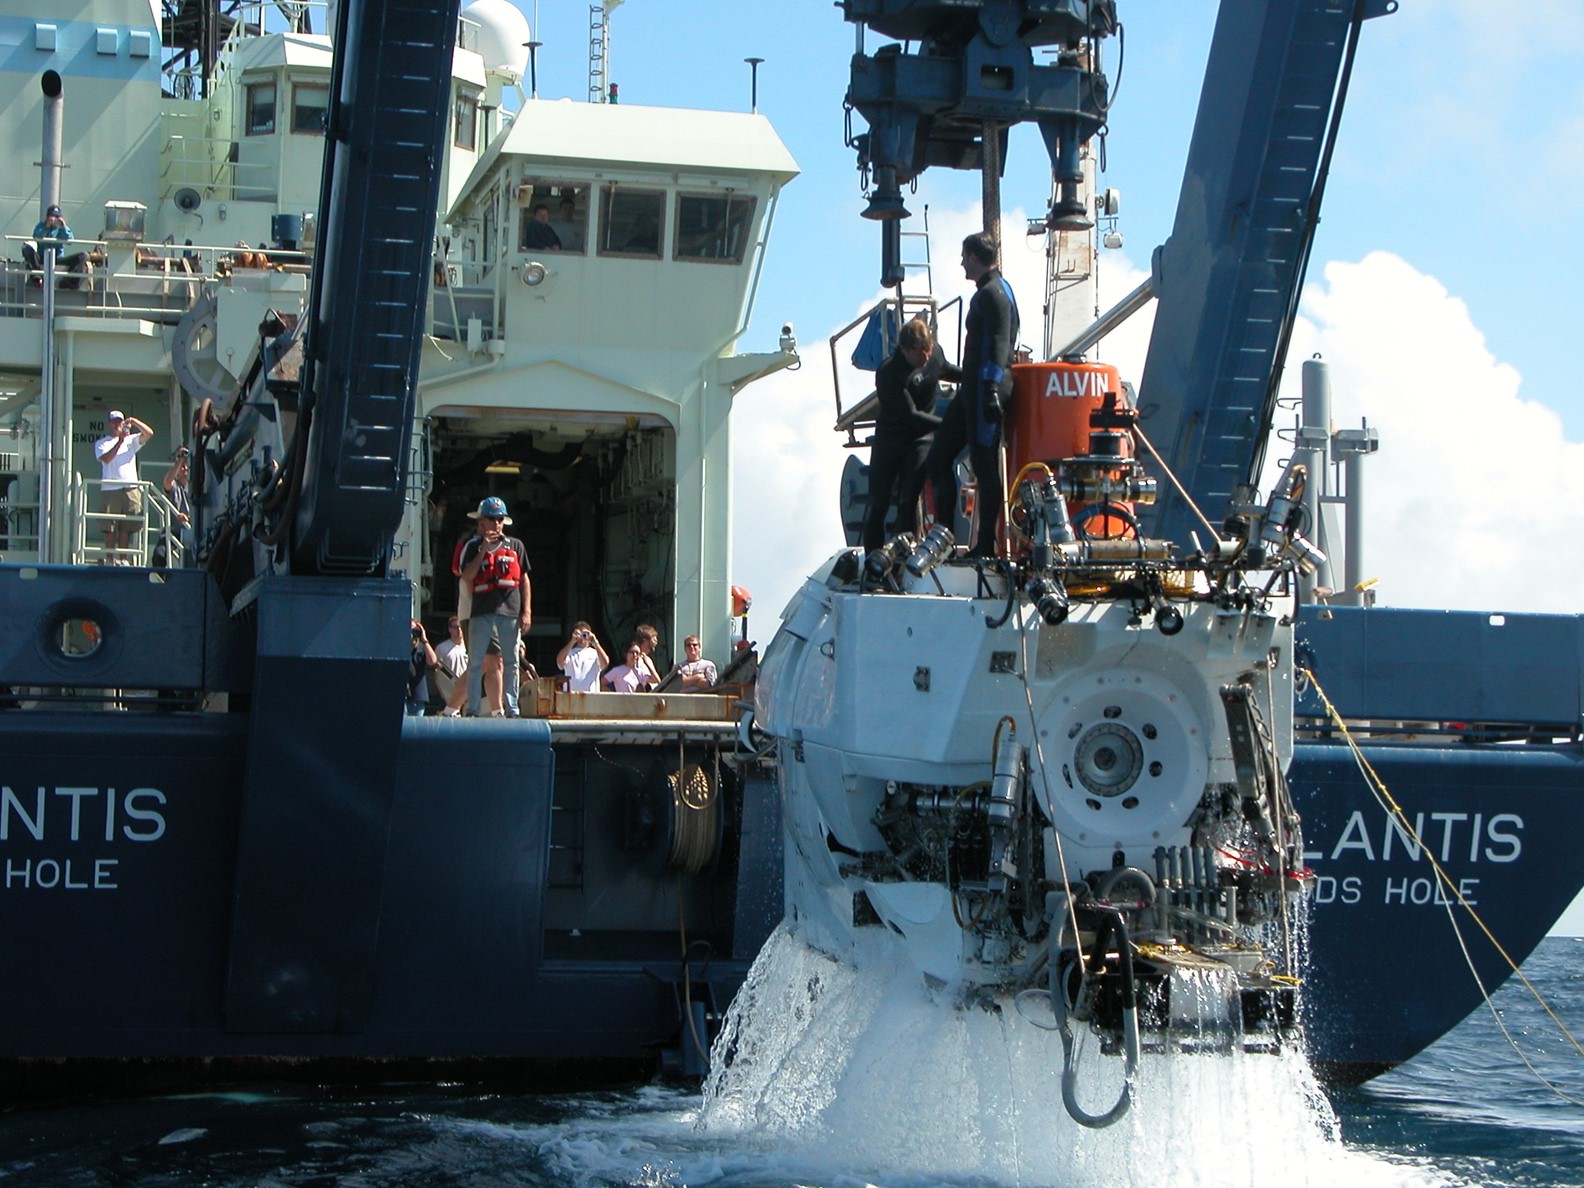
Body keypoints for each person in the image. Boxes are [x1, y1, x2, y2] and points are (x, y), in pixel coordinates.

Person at [926, 231, 1020, 558]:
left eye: (965, 256)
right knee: (939, 457)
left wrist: (992, 388)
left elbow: (998, 344)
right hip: (974, 387)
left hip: (986, 388)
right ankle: (944, 537)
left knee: (984, 464)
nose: (962, 262)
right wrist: (951, 371)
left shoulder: (994, 293)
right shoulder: (992, 291)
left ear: (977, 258)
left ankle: (985, 544)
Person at [863, 316, 961, 551]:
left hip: (921, 438)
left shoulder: (933, 354)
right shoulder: (889, 372)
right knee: (879, 503)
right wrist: (947, 425)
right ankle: (873, 560)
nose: (925, 358)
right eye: (919, 353)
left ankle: (902, 554)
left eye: (928, 351)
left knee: (908, 497)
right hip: (892, 437)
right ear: (905, 349)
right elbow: (911, 415)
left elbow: (945, 370)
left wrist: (977, 378)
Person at [456, 496, 532, 716]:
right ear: (482, 522)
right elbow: (467, 576)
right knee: (476, 662)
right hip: (481, 611)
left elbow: (524, 579)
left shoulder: (516, 546)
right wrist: (484, 550)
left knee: (511, 661)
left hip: (510, 611)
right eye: (491, 519)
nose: (496, 523)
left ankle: (512, 707)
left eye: (499, 519)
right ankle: (471, 708)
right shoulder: (472, 546)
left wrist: (526, 611)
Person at [94, 410, 155, 560]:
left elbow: (149, 433)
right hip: (110, 489)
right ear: (109, 423)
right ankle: (109, 559)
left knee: (125, 529)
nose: (117, 424)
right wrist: (120, 441)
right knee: (110, 528)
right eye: (114, 421)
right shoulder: (102, 443)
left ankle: (122, 559)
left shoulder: (132, 440)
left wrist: (135, 422)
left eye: (119, 421)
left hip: (130, 488)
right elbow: (106, 459)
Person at [24, 205, 89, 286]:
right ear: (47, 217)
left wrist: (63, 227)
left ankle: (69, 281)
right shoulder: (41, 226)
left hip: (58, 258)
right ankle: (37, 276)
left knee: (84, 256)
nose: (54, 219)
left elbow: (70, 240)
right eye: (52, 216)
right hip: (42, 257)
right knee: (27, 249)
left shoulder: (61, 228)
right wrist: (46, 227)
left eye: (57, 216)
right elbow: (36, 237)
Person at [153, 446, 192, 568]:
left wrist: (188, 518)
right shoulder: (175, 486)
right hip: (175, 530)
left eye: (187, 464)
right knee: (159, 554)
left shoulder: (198, 486)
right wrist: (180, 459)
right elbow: (167, 482)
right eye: (181, 465)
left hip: (193, 530)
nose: (184, 467)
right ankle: (159, 578)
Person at [557, 622, 608, 693]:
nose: (582, 637)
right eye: (579, 634)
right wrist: (572, 641)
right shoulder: (569, 653)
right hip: (571, 696)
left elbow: (605, 663)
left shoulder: (595, 653)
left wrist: (595, 643)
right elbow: (559, 662)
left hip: (591, 697)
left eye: (584, 634)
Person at [434, 615, 469, 716]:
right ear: (450, 629)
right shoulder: (442, 648)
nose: (458, 630)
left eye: (460, 627)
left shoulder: (470, 647)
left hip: (466, 693)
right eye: (455, 627)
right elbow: (438, 673)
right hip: (448, 691)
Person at [407, 619, 437, 716]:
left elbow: (432, 661)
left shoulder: (420, 649)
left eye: (414, 630)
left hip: (417, 696)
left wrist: (424, 639)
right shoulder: (398, 648)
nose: (412, 633)